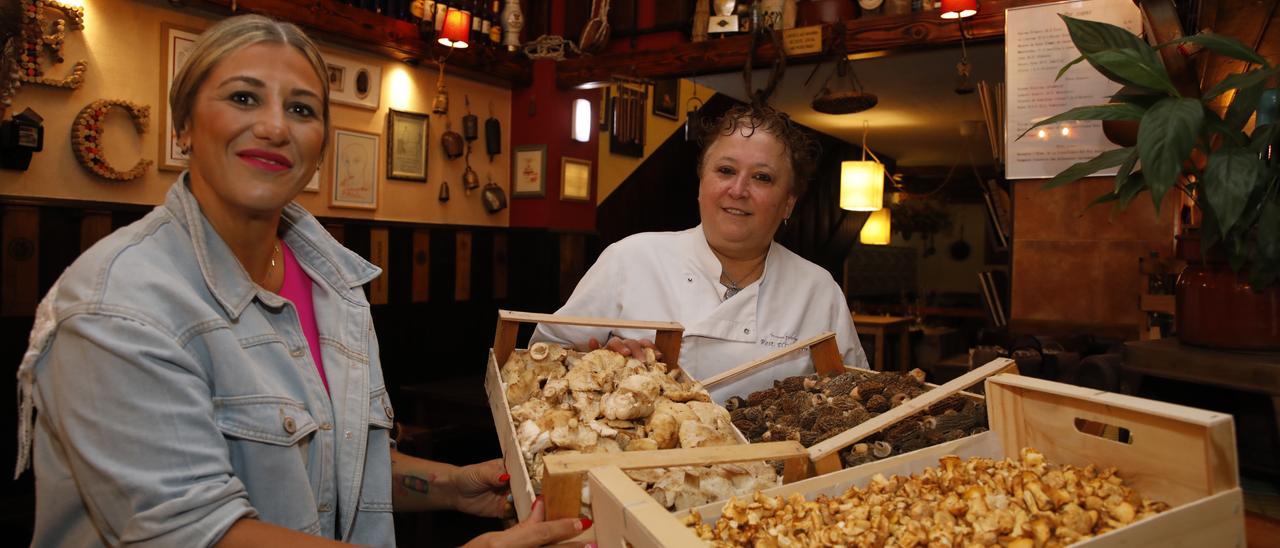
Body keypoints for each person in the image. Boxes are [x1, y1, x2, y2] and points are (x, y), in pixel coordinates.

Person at [14, 15, 588, 548]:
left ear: (319, 148)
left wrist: (450, 485)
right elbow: (194, 534)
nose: (273, 127)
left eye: (302, 110)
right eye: (243, 98)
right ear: (183, 125)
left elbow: (329, 465)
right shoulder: (118, 305)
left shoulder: (332, 284)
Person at [533, 104, 869, 403]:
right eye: (725, 171)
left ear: (788, 203)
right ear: (701, 185)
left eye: (762, 178)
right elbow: (538, 363)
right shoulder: (631, 259)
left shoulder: (817, 289)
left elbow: (853, 398)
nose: (738, 190)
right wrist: (600, 364)